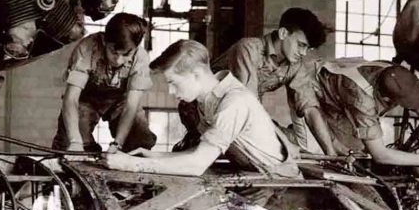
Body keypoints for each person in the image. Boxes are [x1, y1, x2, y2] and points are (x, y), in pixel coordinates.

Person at [105, 40, 299, 178]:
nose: (172, 92)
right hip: (254, 177)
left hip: (279, 185)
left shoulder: (234, 102)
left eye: (173, 82)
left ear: (196, 74)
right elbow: (199, 152)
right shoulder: (207, 101)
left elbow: (197, 164)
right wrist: (153, 155)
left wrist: (131, 165)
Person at [175, 7, 327, 150]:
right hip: (199, 109)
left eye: (308, 48)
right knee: (268, 147)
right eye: (301, 45)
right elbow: (250, 106)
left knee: (290, 142)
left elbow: (310, 109)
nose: (304, 53)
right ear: (283, 34)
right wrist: (283, 143)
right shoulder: (247, 49)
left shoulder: (295, 65)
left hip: (237, 112)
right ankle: (190, 143)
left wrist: (331, 154)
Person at [288, 58, 419, 170]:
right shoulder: (362, 98)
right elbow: (380, 155)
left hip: (338, 95)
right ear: (386, 98)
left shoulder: (395, 74)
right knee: (320, 155)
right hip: (311, 87)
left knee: (353, 151)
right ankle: (288, 140)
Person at [52, 12, 157, 154]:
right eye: (113, 52)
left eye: (126, 54)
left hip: (121, 103)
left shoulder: (141, 58)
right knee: (68, 146)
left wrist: (117, 144)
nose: (118, 60)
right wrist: (75, 141)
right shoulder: (87, 47)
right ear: (104, 41)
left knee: (140, 140)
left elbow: (131, 106)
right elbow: (71, 99)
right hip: (85, 100)